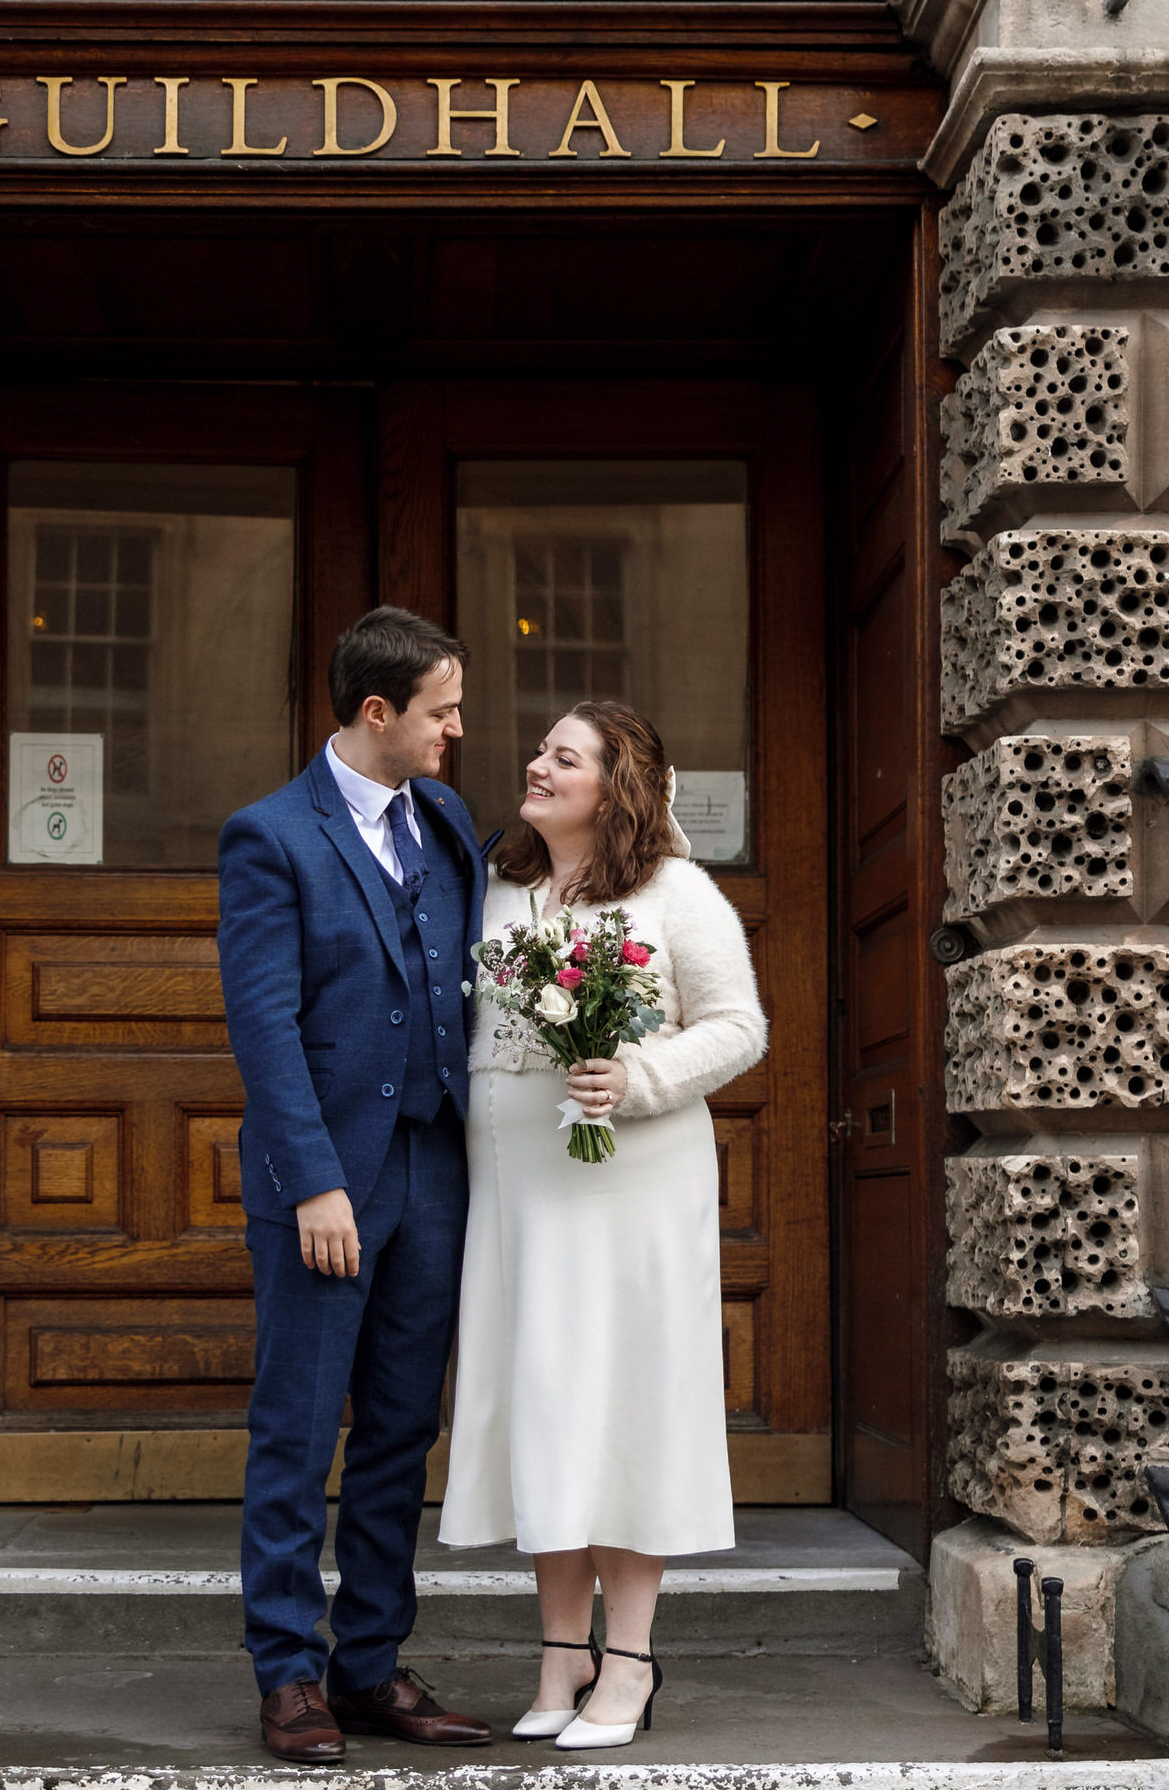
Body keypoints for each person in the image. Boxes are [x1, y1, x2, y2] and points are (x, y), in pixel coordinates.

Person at [439, 700, 767, 1748]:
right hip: (519, 1189)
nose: (534, 764)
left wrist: (636, 1074)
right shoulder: (495, 890)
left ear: (613, 783)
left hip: (633, 1181)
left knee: (625, 1402)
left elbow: (737, 1027)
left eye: (562, 756)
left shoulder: (678, 893)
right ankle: (558, 1652)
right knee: (545, 1397)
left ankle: (627, 1660)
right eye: (536, 747)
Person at [219, 607, 495, 1764]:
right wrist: (313, 1183)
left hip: (436, 1166)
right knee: (297, 1427)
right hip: (325, 1182)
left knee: (397, 1428)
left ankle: (370, 1665)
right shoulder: (270, 835)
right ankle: (288, 1672)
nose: (458, 731)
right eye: (443, 711)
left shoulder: (446, 818)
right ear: (377, 713)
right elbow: (264, 1024)